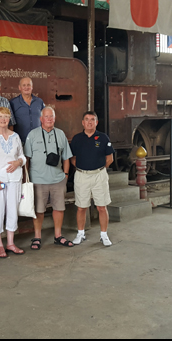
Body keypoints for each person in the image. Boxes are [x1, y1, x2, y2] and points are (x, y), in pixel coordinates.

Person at [24, 107, 74, 250]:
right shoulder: (32, 135)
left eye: (51, 116)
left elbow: (66, 157)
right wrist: (26, 178)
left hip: (57, 180)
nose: (49, 119)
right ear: (41, 119)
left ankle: (58, 236)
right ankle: (37, 237)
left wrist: (65, 175)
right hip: (38, 180)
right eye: (46, 116)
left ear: (54, 118)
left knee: (59, 208)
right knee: (39, 210)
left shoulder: (60, 134)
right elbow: (26, 158)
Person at [0, 107, 26, 258]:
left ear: (9, 119)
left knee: (12, 210)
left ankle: (10, 243)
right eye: (0, 117)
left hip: (14, 179)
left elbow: (22, 155)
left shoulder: (15, 136)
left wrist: (18, 162)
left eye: (6, 117)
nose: (3, 119)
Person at [70, 111, 115, 247]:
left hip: (99, 175)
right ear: (83, 122)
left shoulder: (103, 138)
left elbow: (110, 159)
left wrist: (98, 169)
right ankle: (80, 233)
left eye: (92, 119)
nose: (89, 122)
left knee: (102, 206)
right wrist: (83, 168)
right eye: (87, 119)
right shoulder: (77, 139)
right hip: (82, 175)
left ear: (96, 122)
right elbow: (72, 158)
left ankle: (104, 235)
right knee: (81, 207)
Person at [9, 77, 45, 144]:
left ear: (32, 87)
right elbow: (11, 124)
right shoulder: (13, 103)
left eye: (28, 85)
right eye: (24, 85)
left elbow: (44, 120)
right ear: (19, 87)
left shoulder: (39, 101)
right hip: (20, 141)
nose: (26, 87)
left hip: (38, 141)